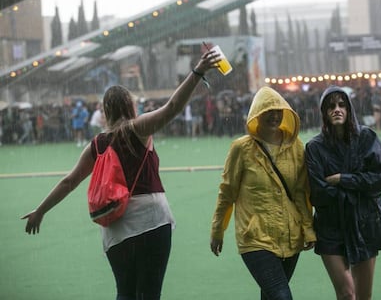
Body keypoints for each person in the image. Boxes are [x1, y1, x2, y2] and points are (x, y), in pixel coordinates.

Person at [22, 49, 220, 300]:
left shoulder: (97, 144)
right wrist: (197, 72)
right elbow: (171, 108)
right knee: (149, 294)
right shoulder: (139, 128)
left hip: (115, 227)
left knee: (125, 293)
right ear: (131, 106)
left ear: (106, 111)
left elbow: (69, 181)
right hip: (152, 221)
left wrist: (40, 211)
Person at [210, 86, 316, 300]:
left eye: (278, 111)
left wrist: (308, 229)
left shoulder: (296, 147)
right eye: (268, 111)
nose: (274, 116)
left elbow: (300, 193)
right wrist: (218, 229)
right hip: (255, 237)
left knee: (270, 295)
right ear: (257, 114)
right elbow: (227, 192)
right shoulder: (241, 148)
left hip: (290, 236)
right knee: (281, 295)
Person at [305, 86, 381, 300]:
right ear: (324, 112)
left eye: (342, 105)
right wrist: (357, 188)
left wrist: (343, 179)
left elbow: (379, 178)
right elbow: (318, 193)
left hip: (365, 224)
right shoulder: (314, 148)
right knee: (346, 294)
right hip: (330, 227)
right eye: (331, 106)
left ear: (349, 109)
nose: (337, 109)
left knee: (363, 296)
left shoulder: (367, 138)